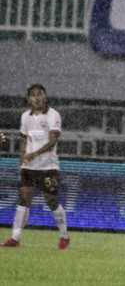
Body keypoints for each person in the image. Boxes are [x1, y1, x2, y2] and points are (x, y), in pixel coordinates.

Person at [1, 84, 70, 250]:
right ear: (28, 99)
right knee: (23, 199)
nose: (37, 98)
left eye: (40, 94)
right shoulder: (25, 117)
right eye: (33, 95)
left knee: (51, 200)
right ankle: (15, 238)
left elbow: (53, 140)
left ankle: (64, 236)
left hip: (48, 166)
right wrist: (21, 164)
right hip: (29, 167)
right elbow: (24, 141)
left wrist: (36, 153)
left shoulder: (53, 115)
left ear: (45, 96)